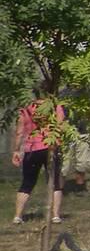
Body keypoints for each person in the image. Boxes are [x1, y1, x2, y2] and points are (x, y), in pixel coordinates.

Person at [11, 90, 65, 226]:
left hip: (32, 148)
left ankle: (17, 216)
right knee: (55, 181)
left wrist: (16, 151)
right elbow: (60, 126)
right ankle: (55, 216)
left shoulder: (27, 108)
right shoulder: (54, 106)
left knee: (27, 182)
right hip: (51, 147)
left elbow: (19, 131)